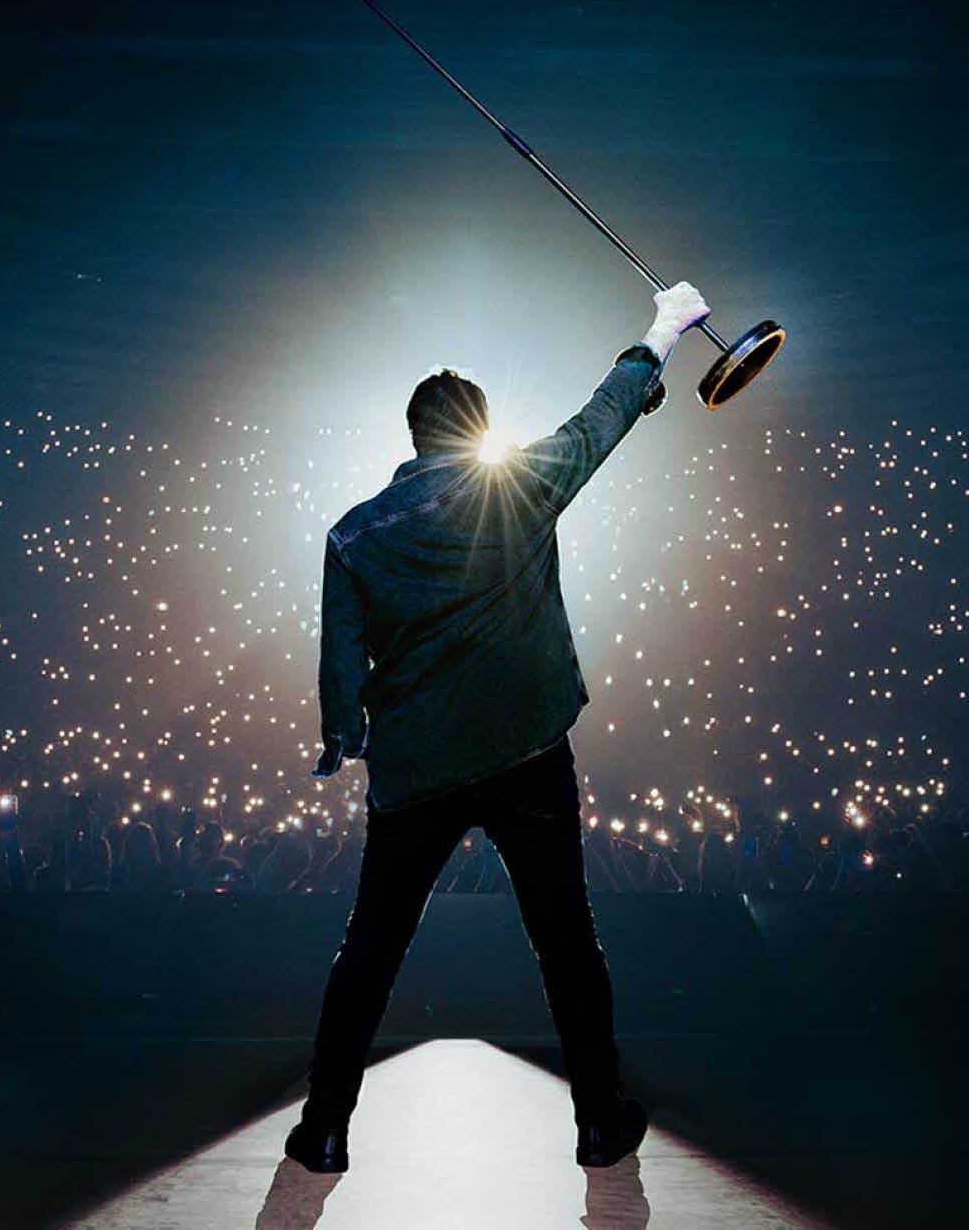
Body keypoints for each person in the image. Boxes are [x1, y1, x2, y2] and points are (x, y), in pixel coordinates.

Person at [283, 281, 711, 1175]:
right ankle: (599, 1122)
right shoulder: (516, 485)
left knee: (371, 948)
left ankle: (323, 1129)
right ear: (481, 429)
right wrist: (663, 329)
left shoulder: (354, 537)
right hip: (527, 751)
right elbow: (599, 422)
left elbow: (341, 672)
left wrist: (345, 737)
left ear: (414, 437)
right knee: (565, 940)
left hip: (417, 769)